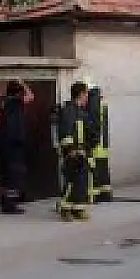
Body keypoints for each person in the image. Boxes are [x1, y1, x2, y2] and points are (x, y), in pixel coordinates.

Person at [0, 79, 34, 214]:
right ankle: (10, 205)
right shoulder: (16, 103)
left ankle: (5, 202)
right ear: (18, 92)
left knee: (5, 173)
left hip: (2, 144)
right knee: (14, 174)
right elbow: (31, 96)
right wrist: (23, 83)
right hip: (14, 144)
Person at [57, 82, 95, 221]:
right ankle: (65, 209)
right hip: (72, 153)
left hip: (82, 152)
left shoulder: (81, 112)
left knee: (81, 182)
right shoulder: (68, 110)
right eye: (86, 94)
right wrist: (70, 150)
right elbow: (65, 131)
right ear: (81, 94)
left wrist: (86, 149)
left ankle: (78, 208)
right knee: (71, 182)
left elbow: (87, 132)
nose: (87, 97)